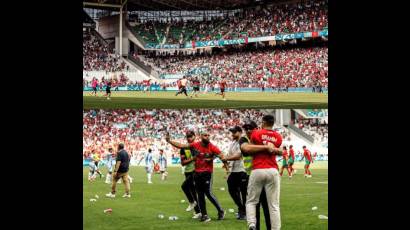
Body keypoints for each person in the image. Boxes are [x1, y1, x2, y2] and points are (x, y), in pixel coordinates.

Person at [166, 130, 228, 222]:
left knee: (209, 193)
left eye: (208, 135)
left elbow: (222, 155)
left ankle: (221, 211)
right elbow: (182, 146)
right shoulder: (195, 145)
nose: (207, 137)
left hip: (207, 173)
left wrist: (225, 166)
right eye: (205, 135)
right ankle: (204, 215)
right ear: (200, 136)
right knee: (200, 195)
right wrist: (169, 141)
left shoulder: (212, 147)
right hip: (197, 173)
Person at [246, 115, 283, 230]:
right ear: (273, 123)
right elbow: (280, 151)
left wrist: (263, 147)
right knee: (274, 205)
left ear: (263, 122)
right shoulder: (278, 136)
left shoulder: (256, 133)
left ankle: (252, 224)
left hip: (258, 169)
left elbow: (249, 150)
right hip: (273, 169)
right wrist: (269, 148)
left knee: (252, 201)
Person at [224, 126, 248, 220]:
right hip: (234, 170)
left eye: (234, 132)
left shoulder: (243, 142)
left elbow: (238, 156)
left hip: (243, 169)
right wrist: (226, 163)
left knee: (244, 192)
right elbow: (230, 155)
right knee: (231, 189)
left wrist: (226, 158)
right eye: (232, 132)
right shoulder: (233, 143)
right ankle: (241, 208)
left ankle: (245, 212)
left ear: (240, 132)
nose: (232, 134)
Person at [180, 131, 201, 218]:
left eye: (190, 136)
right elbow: (183, 163)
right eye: (187, 137)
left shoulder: (198, 147)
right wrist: (193, 158)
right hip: (187, 171)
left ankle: (192, 203)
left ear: (194, 136)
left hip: (196, 171)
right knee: (193, 192)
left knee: (184, 186)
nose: (189, 138)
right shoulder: (183, 148)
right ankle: (198, 212)